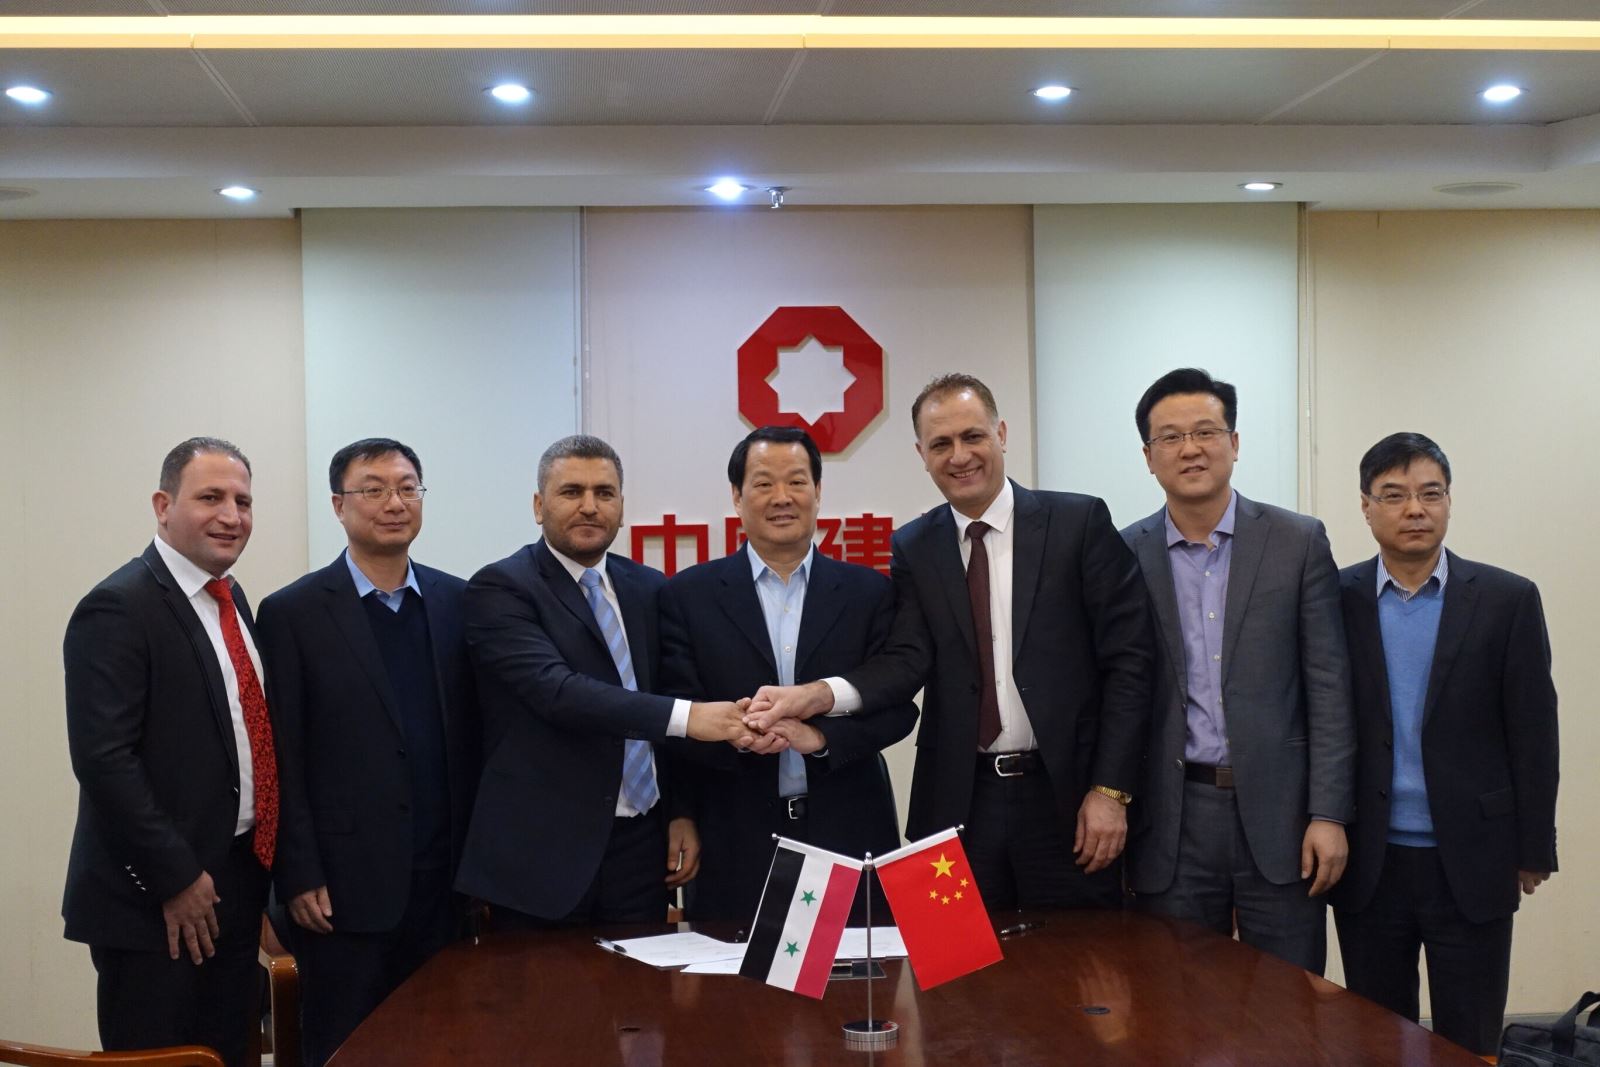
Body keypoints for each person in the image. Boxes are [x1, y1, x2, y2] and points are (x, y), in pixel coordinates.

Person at [746, 374, 1153, 911]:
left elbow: (1131, 663)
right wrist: (817, 695)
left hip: (1070, 801)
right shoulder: (916, 546)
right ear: (922, 455)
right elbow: (905, 661)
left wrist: (1110, 791)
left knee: (1076, 961)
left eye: (972, 436)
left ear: (1000, 434)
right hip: (960, 807)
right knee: (957, 962)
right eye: (941, 444)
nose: (959, 456)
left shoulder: (1077, 523)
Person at [454, 434, 748, 925]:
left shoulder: (648, 587)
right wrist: (690, 718)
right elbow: (557, 691)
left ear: (621, 507)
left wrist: (680, 810)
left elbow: (665, 698)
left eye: (604, 493)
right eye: (571, 492)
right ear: (538, 505)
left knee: (641, 977)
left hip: (641, 847)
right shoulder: (501, 587)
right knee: (544, 980)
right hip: (542, 854)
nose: (590, 506)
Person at [1119, 368, 1355, 974]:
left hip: (1283, 818)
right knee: (1176, 999)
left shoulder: (1297, 542)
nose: (1190, 449)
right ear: (1148, 456)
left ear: (1235, 442)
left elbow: (1329, 688)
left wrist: (1329, 813)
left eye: (1206, 431)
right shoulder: (1123, 553)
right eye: (1171, 437)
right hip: (1172, 819)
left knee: (1290, 1000)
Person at [1333, 432, 1558, 1054]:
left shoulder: (1507, 599)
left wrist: (1534, 845)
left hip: (1476, 855)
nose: (1415, 509)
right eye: (1394, 495)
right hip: (1369, 857)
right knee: (1378, 1037)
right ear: (1366, 506)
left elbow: (1535, 732)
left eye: (1430, 494)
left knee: (1470, 1036)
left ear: (1449, 502)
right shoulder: (1335, 598)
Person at [256, 438, 479, 1067]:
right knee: (344, 1048)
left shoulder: (459, 602)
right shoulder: (293, 612)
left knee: (443, 1046)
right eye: (374, 489)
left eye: (408, 488)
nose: (394, 503)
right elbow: (282, 752)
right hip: (340, 893)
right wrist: (297, 872)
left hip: (444, 886)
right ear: (338, 505)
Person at [62, 437, 274, 1067]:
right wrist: (176, 878)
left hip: (235, 881)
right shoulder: (118, 606)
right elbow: (104, 759)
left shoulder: (230, 600)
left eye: (243, 501)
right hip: (156, 900)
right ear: (163, 505)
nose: (231, 516)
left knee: (229, 1053)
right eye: (210, 498)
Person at [659, 427, 916, 922]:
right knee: (734, 972)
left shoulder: (869, 592)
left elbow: (897, 709)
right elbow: (673, 715)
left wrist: (819, 738)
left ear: (818, 492)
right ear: (737, 497)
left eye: (797, 482)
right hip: (733, 834)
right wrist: (732, 739)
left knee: (855, 970)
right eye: (763, 484)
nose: (782, 497)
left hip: (848, 829)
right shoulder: (687, 596)